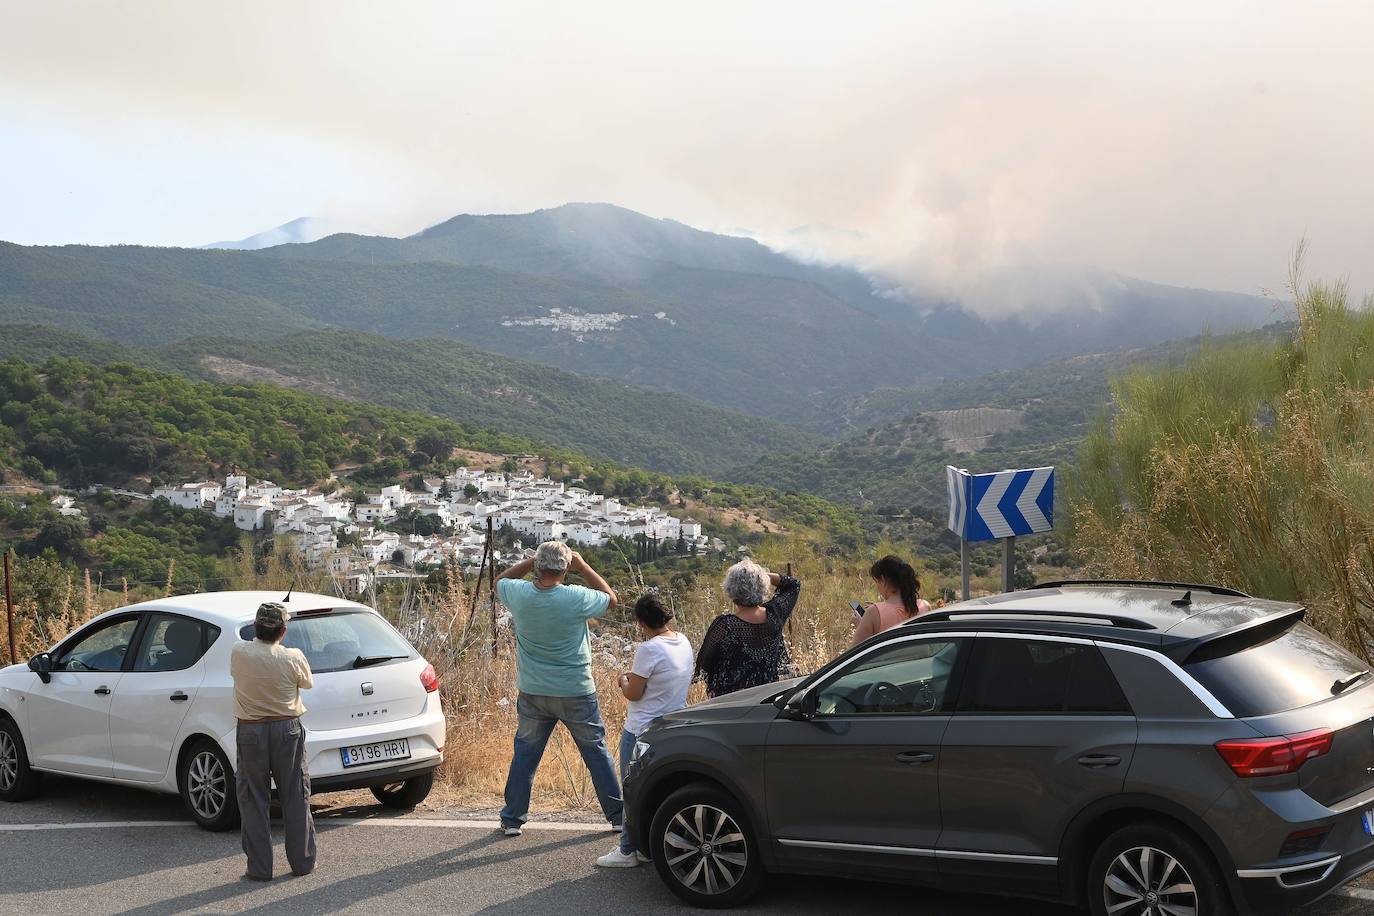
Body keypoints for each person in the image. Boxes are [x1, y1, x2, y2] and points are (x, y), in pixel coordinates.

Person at [497, 541, 624, 837]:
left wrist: (529, 561)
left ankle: (513, 818)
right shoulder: (576, 597)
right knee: (595, 752)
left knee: (526, 754)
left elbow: (500, 580)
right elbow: (611, 599)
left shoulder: (519, 594)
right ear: (565, 568)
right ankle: (617, 816)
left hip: (533, 689)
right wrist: (583, 566)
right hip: (575, 689)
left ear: (539, 566)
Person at [596, 593, 695, 868]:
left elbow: (634, 694)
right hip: (671, 724)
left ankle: (627, 850)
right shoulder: (683, 641)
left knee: (631, 790)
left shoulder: (648, 649)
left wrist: (622, 680)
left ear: (642, 623)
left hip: (641, 728)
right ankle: (648, 845)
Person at [230, 601, 317, 881]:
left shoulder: (239, 652)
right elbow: (307, 683)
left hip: (251, 730)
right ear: (283, 630)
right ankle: (302, 863)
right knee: (295, 795)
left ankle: (259, 868)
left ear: (255, 627)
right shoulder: (293, 656)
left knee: (253, 798)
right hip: (287, 729)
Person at [695, 560, 800, 698]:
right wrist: (759, 576)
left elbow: (704, 665)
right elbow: (793, 584)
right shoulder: (775, 615)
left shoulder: (724, 625)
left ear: (730, 589)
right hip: (767, 700)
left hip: (730, 704)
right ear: (763, 585)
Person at [849, 554, 931, 648]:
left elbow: (854, 653)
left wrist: (860, 626)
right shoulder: (925, 606)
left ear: (883, 580)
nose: (877, 587)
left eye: (877, 582)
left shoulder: (874, 612)